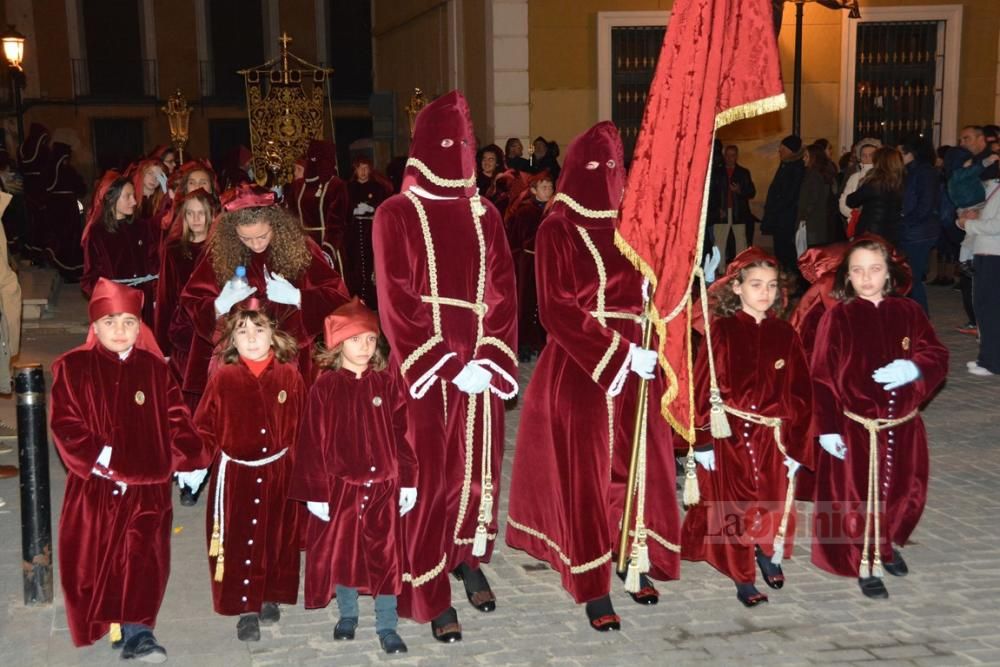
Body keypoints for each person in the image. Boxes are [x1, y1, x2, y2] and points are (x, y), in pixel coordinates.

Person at [505, 122, 681, 631]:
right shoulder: (557, 226)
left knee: (636, 463)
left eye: (616, 168)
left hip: (639, 361)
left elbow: (654, 288)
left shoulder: (635, 224)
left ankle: (631, 553)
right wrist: (618, 353)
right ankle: (591, 580)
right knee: (586, 471)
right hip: (584, 364)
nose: (610, 178)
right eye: (600, 168)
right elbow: (556, 309)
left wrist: (663, 297)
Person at [372, 90, 518, 643]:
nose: (461, 153)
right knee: (429, 476)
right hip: (427, 368)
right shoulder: (397, 213)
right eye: (450, 143)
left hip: (480, 358)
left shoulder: (488, 216)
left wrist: (489, 357)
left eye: (467, 142)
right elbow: (397, 299)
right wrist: (443, 362)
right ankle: (427, 584)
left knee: (476, 470)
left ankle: (465, 555)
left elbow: (505, 291)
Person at [49, 278, 210, 658]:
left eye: (128, 323)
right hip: (98, 489)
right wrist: (100, 456)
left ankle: (138, 631)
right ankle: (109, 619)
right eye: (110, 322)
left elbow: (176, 417)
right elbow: (65, 422)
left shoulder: (153, 368)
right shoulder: (73, 368)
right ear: (94, 326)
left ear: (140, 327)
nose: (120, 331)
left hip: (148, 488)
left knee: (143, 559)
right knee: (96, 559)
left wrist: (190, 459)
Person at [810, 237, 948, 599]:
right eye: (858, 271)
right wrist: (827, 427)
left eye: (874, 269)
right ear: (848, 277)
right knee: (856, 496)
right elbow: (821, 375)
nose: (866, 278)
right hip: (858, 427)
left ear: (888, 273)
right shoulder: (838, 317)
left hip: (902, 426)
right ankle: (860, 558)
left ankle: (885, 546)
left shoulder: (908, 312)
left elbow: (936, 352)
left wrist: (915, 368)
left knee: (901, 490)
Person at [681, 248, 813, 608]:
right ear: (736, 288)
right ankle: (743, 575)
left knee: (770, 500)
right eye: (755, 285)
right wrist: (703, 440)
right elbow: (702, 387)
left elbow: (801, 392)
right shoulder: (721, 331)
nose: (765, 293)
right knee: (736, 506)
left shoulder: (785, 333)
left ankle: (766, 551)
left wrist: (797, 447)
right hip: (730, 435)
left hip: (773, 438)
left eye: (771, 285)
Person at [291, 298, 418, 655]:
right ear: (338, 344)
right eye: (355, 339)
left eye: (370, 339)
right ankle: (347, 614)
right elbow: (312, 441)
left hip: (383, 487)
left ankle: (387, 623)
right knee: (345, 553)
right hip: (342, 488)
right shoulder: (325, 388)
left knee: (385, 555)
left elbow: (401, 434)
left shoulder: (387, 383)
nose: (364, 347)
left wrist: (408, 479)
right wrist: (316, 491)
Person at [189, 298, 305, 641]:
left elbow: (301, 428)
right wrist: (195, 462)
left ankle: (271, 594)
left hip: (279, 471)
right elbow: (205, 424)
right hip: (236, 475)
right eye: (242, 332)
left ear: (274, 334)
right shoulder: (223, 378)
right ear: (231, 340)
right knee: (238, 540)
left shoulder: (289, 375)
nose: (252, 338)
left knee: (276, 536)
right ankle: (246, 607)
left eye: (259, 330)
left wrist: (307, 477)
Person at [179, 185, 349, 408]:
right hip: (238, 359)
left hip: (291, 360)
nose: (256, 244)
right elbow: (191, 300)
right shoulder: (219, 253)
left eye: (262, 236)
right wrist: (219, 305)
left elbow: (338, 297)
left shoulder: (301, 247)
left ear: (275, 224)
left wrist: (299, 297)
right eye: (246, 239)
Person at [155, 189, 218, 400]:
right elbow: (165, 298)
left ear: (210, 215)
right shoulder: (174, 250)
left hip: (212, 329)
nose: (196, 219)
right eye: (190, 213)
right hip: (184, 331)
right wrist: (162, 347)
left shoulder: (218, 250)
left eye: (201, 213)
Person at [81, 174, 160, 326]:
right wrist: (109, 297)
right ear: (112, 198)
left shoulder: (142, 227)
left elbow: (154, 261)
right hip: (116, 305)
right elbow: (90, 276)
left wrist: (155, 292)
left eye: (134, 196)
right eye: (128, 196)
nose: (134, 201)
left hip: (144, 301)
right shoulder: (98, 233)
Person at [505, 171, 554, 361]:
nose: (548, 190)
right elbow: (516, 241)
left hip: (547, 264)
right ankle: (524, 343)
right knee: (526, 303)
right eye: (544, 187)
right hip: (528, 264)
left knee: (545, 303)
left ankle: (542, 342)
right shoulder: (525, 212)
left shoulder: (555, 211)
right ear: (533, 190)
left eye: (550, 187)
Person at [957, 172, 1000, 376]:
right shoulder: (995, 187)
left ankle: (992, 361)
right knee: (984, 307)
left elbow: (997, 225)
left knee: (990, 307)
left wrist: (969, 225)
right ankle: (987, 357)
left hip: (995, 254)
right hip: (986, 251)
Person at [286, 139, 350, 273]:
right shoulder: (298, 186)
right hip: (303, 245)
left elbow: (337, 222)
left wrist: (327, 250)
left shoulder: (336, 185)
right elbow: (291, 216)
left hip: (327, 243)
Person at [899, 137, 941, 314]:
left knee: (912, 278)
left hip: (918, 232)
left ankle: (921, 319)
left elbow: (925, 204)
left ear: (911, 153)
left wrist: (906, 221)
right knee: (909, 277)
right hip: (915, 230)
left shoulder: (923, 172)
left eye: (900, 153)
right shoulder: (913, 171)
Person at [344, 157, 392, 308]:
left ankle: (373, 301)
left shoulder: (378, 188)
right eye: (360, 168)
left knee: (373, 264)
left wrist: (372, 210)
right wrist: (353, 211)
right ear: (355, 170)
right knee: (355, 265)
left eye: (366, 168)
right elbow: (342, 210)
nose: (363, 171)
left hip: (370, 231)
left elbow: (384, 209)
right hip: (354, 233)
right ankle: (356, 300)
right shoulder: (348, 188)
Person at [39, 142, 87, 281]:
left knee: (67, 238)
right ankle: (68, 270)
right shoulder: (63, 170)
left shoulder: (53, 170)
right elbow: (81, 188)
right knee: (65, 238)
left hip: (62, 207)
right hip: (63, 208)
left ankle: (69, 269)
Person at [761, 135, 806, 279]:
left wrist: (776, 209)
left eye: (783, 148)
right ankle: (784, 276)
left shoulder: (796, 168)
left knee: (787, 250)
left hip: (787, 218)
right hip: (780, 217)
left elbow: (789, 194)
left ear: (791, 150)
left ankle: (790, 278)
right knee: (780, 249)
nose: (779, 151)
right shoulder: (785, 165)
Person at [844, 146, 904, 243]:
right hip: (893, 232)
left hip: (871, 231)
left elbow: (851, 201)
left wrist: (862, 183)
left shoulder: (875, 182)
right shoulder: (900, 181)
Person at [716, 144, 756, 265]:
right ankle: (720, 270)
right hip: (721, 211)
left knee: (741, 242)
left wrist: (740, 190)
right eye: (727, 155)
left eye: (732, 155)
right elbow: (712, 193)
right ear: (724, 156)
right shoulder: (717, 172)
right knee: (719, 242)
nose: (730, 158)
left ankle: (741, 268)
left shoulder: (743, 172)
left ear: (736, 156)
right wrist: (716, 209)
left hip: (739, 211)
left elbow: (752, 192)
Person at [798, 143, 841, 248]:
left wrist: (803, 216)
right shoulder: (816, 174)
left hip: (813, 224)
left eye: (806, 156)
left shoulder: (814, 176)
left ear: (814, 158)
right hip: (817, 223)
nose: (803, 159)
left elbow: (812, 200)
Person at [838, 138, 882, 220]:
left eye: (871, 155)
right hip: (855, 221)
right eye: (864, 155)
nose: (867, 158)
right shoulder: (854, 177)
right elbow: (843, 200)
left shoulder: (883, 176)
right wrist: (853, 214)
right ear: (859, 157)